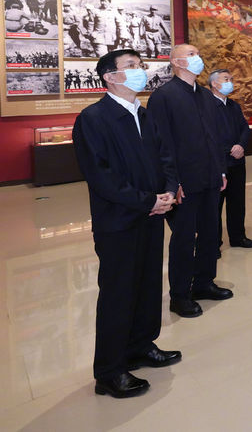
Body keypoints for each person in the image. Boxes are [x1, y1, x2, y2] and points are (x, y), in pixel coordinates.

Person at [72, 49, 181, 399]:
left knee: (148, 285)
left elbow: (165, 157)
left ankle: (140, 346)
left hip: (152, 215)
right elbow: (100, 176)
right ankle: (109, 371)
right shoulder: (93, 118)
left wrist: (167, 191)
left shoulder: (144, 115)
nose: (140, 71)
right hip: (119, 221)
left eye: (140, 66)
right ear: (110, 76)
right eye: (131, 66)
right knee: (118, 293)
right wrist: (146, 201)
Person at [147, 44, 232, 318]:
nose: (198, 58)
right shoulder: (163, 97)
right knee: (184, 239)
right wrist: (173, 183)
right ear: (176, 62)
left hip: (210, 177)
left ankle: (204, 283)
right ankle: (180, 295)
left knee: (210, 233)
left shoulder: (205, 95)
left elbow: (215, 137)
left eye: (198, 53)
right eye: (191, 54)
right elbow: (161, 144)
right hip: (184, 182)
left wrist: (220, 171)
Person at [209, 68, 252, 251]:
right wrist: (229, 149)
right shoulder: (206, 107)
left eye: (231, 79)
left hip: (237, 162)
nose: (230, 82)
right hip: (217, 164)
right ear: (214, 84)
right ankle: (214, 243)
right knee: (215, 205)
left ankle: (238, 237)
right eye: (226, 79)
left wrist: (241, 145)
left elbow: (245, 128)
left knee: (237, 202)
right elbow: (208, 136)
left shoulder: (234, 106)